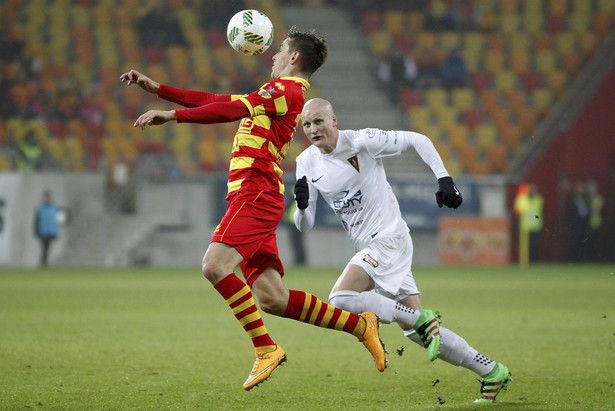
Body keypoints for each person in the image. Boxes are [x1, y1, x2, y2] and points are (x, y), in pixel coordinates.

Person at [120, 27, 386, 391]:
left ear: (294, 58)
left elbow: (228, 109)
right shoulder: (273, 95)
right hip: (253, 195)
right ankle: (360, 325)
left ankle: (265, 348)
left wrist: (170, 116)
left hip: (255, 194)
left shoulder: (287, 89)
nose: (273, 56)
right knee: (273, 298)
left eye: (280, 50)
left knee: (214, 266)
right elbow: (215, 98)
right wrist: (160, 89)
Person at [293, 98, 512, 403]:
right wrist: (301, 207)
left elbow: (417, 140)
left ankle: (425, 320)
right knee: (413, 329)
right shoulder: (305, 162)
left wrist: (444, 179)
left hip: (387, 238)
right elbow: (305, 224)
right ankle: (492, 371)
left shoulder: (363, 141)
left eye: (319, 121)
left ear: (334, 121)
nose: (313, 129)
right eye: (307, 124)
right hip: (371, 245)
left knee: (340, 298)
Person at [34, 190, 60, 267]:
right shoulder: (40, 208)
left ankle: (44, 261)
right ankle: (44, 262)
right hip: (43, 231)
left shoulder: (55, 207)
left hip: (51, 231)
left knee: (47, 247)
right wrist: (36, 231)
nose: (47, 199)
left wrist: (57, 231)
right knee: (44, 247)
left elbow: (60, 219)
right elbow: (36, 220)